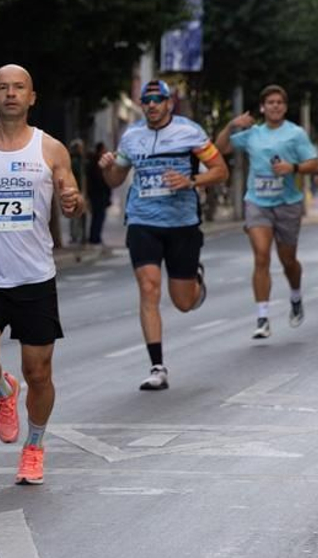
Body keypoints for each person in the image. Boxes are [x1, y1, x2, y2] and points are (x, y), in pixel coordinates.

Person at [0, 65, 84, 487]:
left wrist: (72, 201)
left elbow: (72, 199)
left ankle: (35, 447)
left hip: (34, 277)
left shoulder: (51, 150)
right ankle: (4, 391)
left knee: (39, 372)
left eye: (19, 88)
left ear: (32, 97)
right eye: (2, 88)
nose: (10, 94)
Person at [98, 79, 228, 391]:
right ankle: (157, 366)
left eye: (159, 100)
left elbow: (220, 170)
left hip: (182, 223)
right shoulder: (132, 136)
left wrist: (191, 180)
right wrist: (107, 167)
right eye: (147, 100)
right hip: (143, 221)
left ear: (170, 104)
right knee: (149, 287)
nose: (152, 105)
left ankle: (194, 280)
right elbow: (116, 180)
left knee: (183, 302)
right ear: (142, 105)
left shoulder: (190, 132)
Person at [216, 85, 318, 339]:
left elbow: (314, 164)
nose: (275, 106)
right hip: (258, 202)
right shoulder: (253, 133)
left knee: (288, 261)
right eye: (270, 102)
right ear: (263, 107)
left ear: (285, 107)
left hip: (287, 203)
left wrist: (292, 167)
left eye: (280, 102)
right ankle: (262, 317)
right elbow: (220, 148)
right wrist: (231, 125)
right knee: (261, 256)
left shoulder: (295, 134)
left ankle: (295, 294)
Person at [85, 142, 112, 245]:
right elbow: (100, 180)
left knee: (97, 217)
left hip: (98, 195)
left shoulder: (94, 162)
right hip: (98, 195)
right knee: (98, 217)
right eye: (104, 150)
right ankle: (95, 238)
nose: (105, 152)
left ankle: (95, 237)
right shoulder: (97, 163)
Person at [68, 139, 89, 246]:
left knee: (82, 215)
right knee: (76, 215)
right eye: (80, 148)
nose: (82, 150)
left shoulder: (82, 161)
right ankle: (76, 236)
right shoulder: (75, 162)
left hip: (82, 191)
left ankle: (82, 236)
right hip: (76, 191)